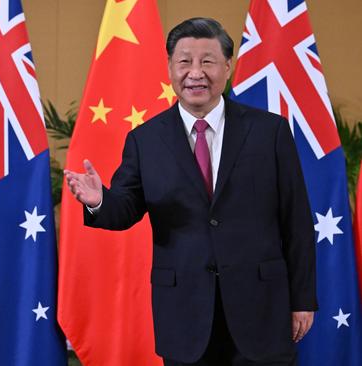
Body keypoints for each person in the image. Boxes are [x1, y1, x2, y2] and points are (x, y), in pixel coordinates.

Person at [64, 17, 316, 366]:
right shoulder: (146, 140)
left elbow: (297, 220)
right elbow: (125, 208)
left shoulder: (269, 131)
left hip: (261, 307)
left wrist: (302, 299)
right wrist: (99, 201)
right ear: (170, 67)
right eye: (184, 61)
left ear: (227, 67)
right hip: (184, 313)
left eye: (207, 61)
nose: (195, 72)